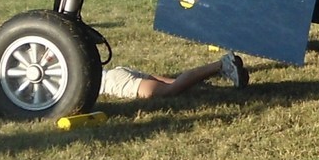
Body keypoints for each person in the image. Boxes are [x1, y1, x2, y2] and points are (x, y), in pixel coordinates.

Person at [101, 53, 248, 101]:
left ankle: (221, 65)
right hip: (113, 74)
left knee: (170, 90)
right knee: (181, 86)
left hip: (111, 83)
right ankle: (225, 78)